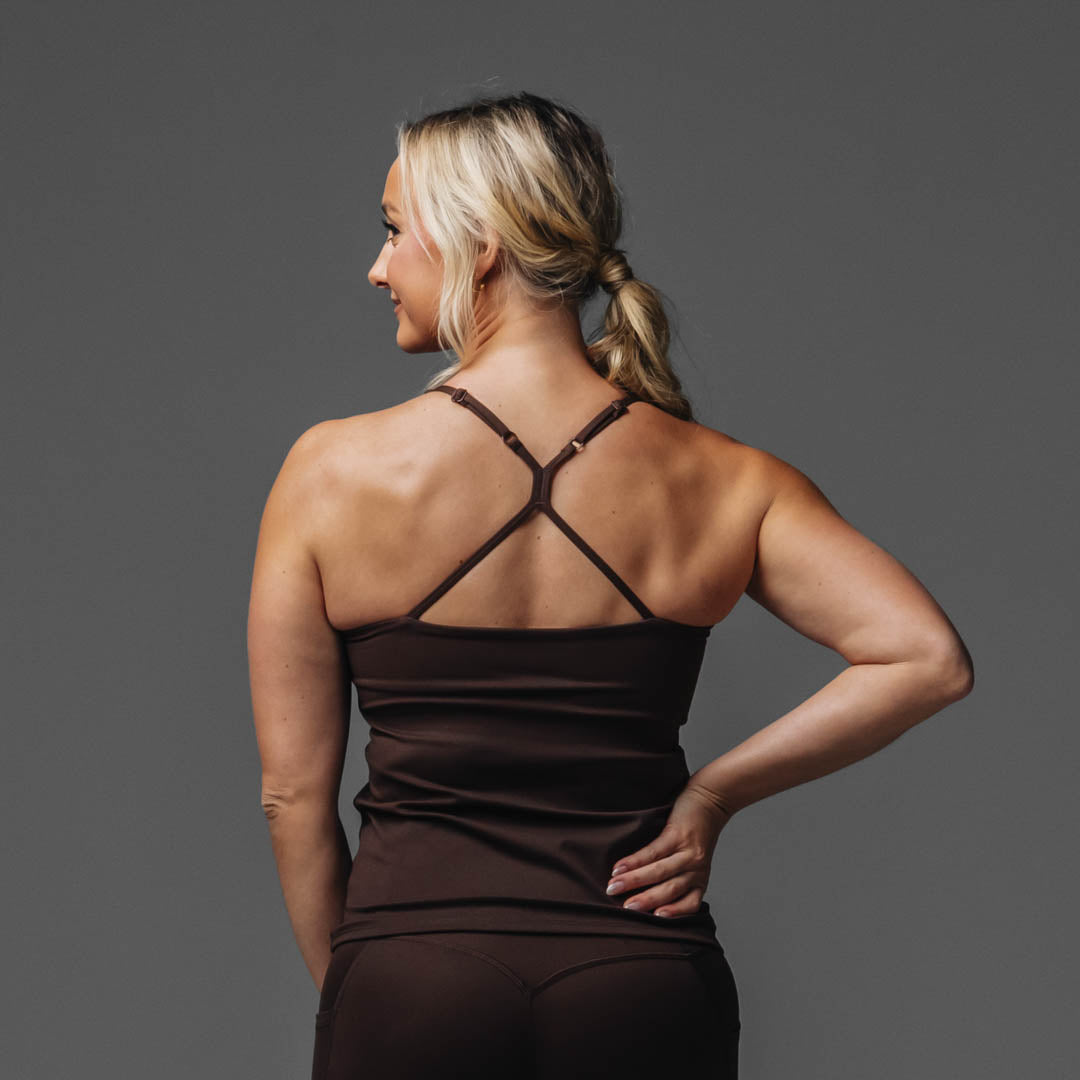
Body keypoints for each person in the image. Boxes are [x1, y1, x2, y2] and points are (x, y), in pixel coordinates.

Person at [247, 91, 974, 1080]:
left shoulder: (329, 473)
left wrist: (362, 992)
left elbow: (293, 798)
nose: (377, 267)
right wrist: (712, 796)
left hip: (410, 978)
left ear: (481, 245)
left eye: (392, 230)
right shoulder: (724, 478)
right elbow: (926, 660)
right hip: (642, 981)